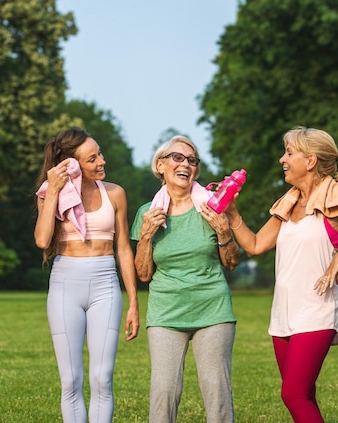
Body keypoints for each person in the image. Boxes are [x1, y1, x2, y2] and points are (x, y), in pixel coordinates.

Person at [220, 126, 338, 423]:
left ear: (310, 160)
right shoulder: (288, 203)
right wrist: (233, 215)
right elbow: (256, 245)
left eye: (289, 153)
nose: (281, 160)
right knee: (304, 395)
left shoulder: (336, 200)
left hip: (316, 311)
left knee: (293, 395)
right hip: (283, 315)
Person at [34, 127, 140, 423]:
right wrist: (53, 189)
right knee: (70, 381)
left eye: (100, 153)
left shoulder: (116, 194)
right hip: (65, 284)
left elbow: (123, 250)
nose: (101, 161)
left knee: (102, 378)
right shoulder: (50, 194)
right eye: (92, 159)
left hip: (105, 284)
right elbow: (42, 240)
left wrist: (133, 302)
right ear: (71, 164)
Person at [131, 135, 239, 423]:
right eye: (178, 157)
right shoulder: (147, 213)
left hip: (213, 309)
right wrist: (145, 236)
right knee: (163, 393)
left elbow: (230, 263)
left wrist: (224, 231)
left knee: (217, 393)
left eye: (192, 161)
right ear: (161, 165)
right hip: (166, 312)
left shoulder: (211, 209)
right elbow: (143, 273)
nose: (186, 164)